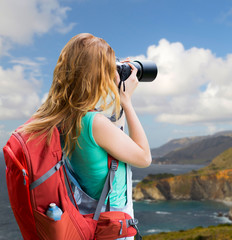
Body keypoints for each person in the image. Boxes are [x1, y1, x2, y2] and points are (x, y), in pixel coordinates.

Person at [21, 33, 151, 239]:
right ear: (97, 74)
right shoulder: (96, 123)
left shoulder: (62, 118)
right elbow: (144, 158)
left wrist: (118, 97)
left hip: (87, 221)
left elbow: (112, 143)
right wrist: (127, 101)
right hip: (112, 227)